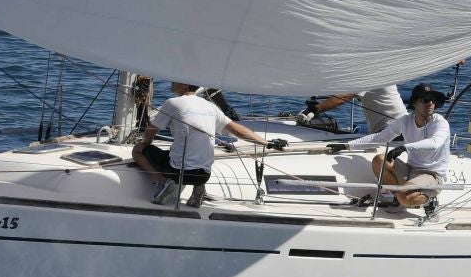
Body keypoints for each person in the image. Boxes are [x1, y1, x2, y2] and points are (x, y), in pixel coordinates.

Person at [133, 82, 269, 207]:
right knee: (195, 157)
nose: (172, 82)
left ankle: (163, 181)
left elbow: (150, 131)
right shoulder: (211, 106)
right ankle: (198, 188)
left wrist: (146, 144)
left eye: (176, 80)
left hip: (177, 173)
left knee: (138, 150)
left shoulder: (172, 103)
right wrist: (266, 142)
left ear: (184, 86)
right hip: (203, 175)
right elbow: (238, 130)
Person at [344, 84, 451, 210]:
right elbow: (380, 137)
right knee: (379, 160)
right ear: (415, 103)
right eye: (426, 100)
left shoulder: (440, 123)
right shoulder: (405, 120)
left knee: (405, 198)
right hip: (411, 169)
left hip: (431, 174)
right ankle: (400, 196)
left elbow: (434, 143)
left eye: (434, 100)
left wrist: (404, 148)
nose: (430, 104)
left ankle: (429, 201)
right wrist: (347, 146)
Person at [297, 84, 404, 134]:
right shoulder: (380, 72)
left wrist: (316, 109)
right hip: (401, 125)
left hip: (392, 130)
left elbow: (342, 97)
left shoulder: (371, 76)